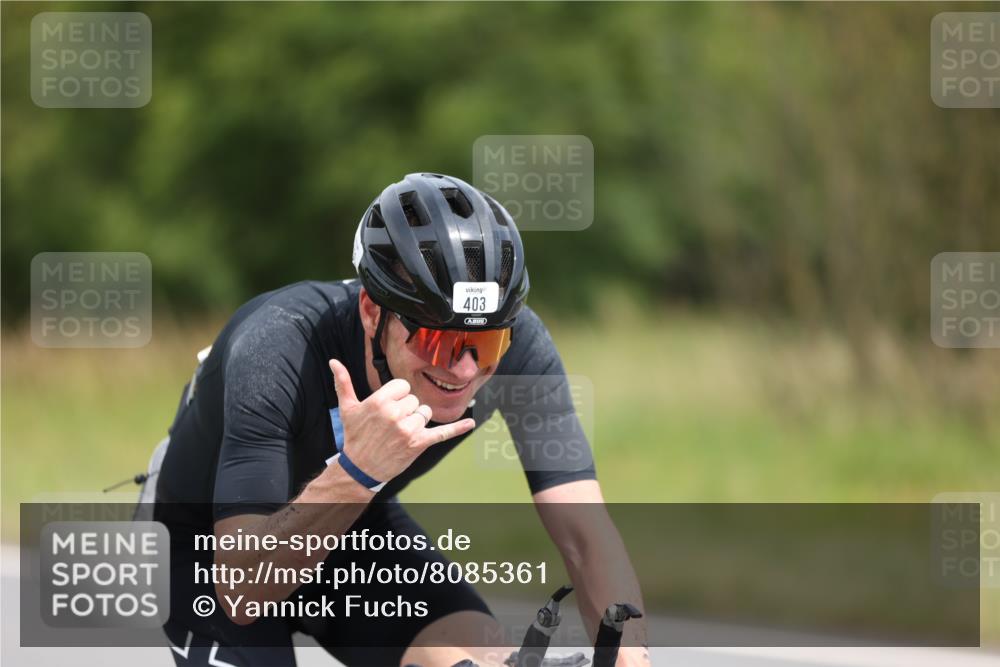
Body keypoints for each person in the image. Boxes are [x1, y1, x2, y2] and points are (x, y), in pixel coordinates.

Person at [153, 173, 649, 666]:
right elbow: (242, 591)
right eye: (438, 341)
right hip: (217, 549)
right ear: (373, 312)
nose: (464, 369)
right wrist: (356, 471)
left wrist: (629, 659)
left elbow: (586, 536)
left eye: (485, 343)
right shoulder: (277, 347)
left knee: (488, 659)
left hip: (356, 527)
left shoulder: (523, 353)